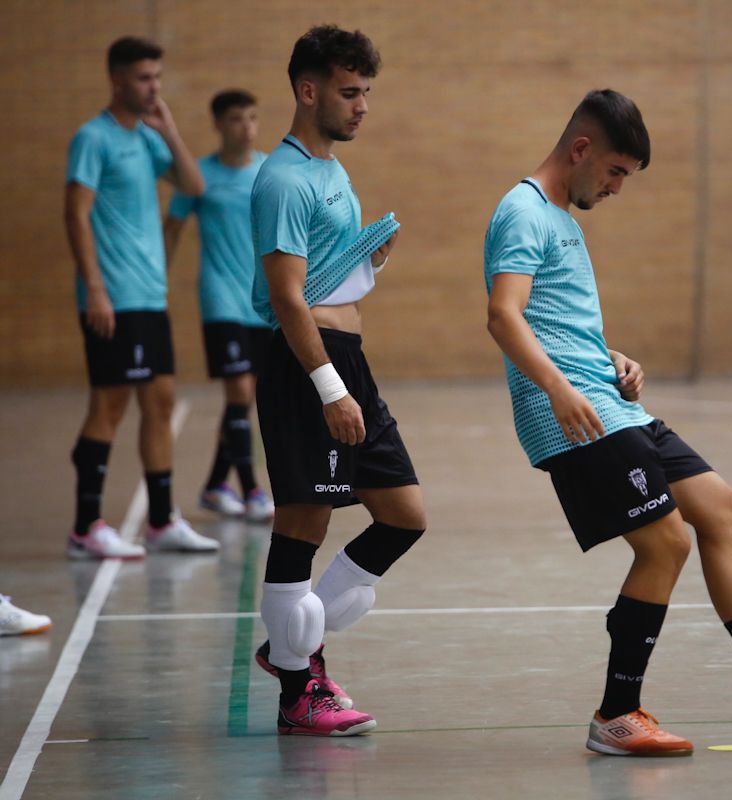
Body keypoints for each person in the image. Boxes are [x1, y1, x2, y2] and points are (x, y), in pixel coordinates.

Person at [484, 89, 732, 757]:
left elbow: (554, 321)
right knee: (664, 544)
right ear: (581, 150)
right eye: (615, 173)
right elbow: (504, 316)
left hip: (610, 400)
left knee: (721, 509)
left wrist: (611, 359)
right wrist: (560, 388)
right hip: (576, 415)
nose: (615, 190)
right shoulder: (522, 211)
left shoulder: (558, 220)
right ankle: (617, 714)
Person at [250, 25, 425, 738]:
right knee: (306, 522)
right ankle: (299, 689)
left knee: (404, 515)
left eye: (366, 93)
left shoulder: (333, 172)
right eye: (350, 93)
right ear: (308, 89)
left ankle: (291, 644)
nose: (361, 106)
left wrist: (367, 262)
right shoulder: (285, 179)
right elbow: (288, 296)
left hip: (347, 358)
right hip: (306, 366)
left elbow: (325, 280)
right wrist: (328, 387)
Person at [65, 36, 219, 559]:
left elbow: (195, 184)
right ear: (117, 80)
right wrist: (97, 289)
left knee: (160, 402)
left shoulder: (148, 139)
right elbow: (76, 213)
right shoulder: (93, 137)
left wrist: (170, 130)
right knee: (109, 406)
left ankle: (160, 521)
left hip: (149, 297)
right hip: (114, 296)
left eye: (156, 77)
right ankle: (86, 526)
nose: (153, 87)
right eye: (143, 78)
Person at [163, 89, 275, 523]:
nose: (246, 127)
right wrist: (157, 280)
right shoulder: (199, 177)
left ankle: (214, 486)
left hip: (261, 304)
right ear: (218, 125)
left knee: (247, 400)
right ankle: (251, 491)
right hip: (221, 299)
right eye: (235, 119)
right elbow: (172, 228)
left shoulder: (268, 172)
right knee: (240, 392)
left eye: (252, 117)